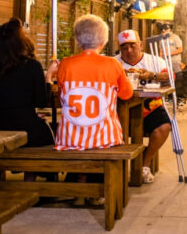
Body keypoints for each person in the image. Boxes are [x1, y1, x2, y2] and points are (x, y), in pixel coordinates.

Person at [54, 14, 133, 151]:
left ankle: (79, 173)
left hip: (69, 140)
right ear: (103, 41)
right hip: (105, 138)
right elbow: (126, 94)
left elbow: (61, 95)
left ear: (77, 41)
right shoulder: (113, 64)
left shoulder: (65, 64)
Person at [0, 18, 56, 147]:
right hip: (30, 133)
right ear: (22, 43)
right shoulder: (32, 66)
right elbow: (41, 101)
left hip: (0, 132)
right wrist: (49, 77)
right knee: (49, 131)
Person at [115, 30, 171, 183]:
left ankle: (144, 165)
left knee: (164, 127)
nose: (129, 51)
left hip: (150, 106)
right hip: (119, 109)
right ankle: (114, 171)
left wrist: (152, 75)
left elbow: (169, 78)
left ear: (140, 45)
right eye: (124, 47)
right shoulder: (114, 62)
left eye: (132, 46)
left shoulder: (155, 61)